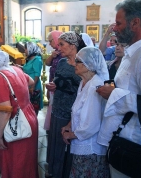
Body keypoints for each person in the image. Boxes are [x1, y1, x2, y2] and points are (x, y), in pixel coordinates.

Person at [96, 0, 141, 177]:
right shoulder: (133, 51)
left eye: (119, 23)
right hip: (121, 137)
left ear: (135, 23)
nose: (114, 28)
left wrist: (114, 94)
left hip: (134, 142)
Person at [0, 49, 39, 178]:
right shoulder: (15, 69)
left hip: (13, 124)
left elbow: (6, 111)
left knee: (15, 163)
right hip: (28, 118)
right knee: (27, 162)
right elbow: (31, 81)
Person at [62, 47, 110, 178]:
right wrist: (69, 125)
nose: (74, 63)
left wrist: (71, 135)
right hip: (80, 143)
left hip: (90, 148)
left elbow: (92, 124)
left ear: (89, 65)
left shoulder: (96, 86)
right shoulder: (84, 82)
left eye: (78, 61)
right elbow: (78, 109)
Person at [45, 31, 86, 178]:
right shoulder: (62, 62)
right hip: (58, 107)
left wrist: (63, 86)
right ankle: (55, 172)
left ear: (73, 45)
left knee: (67, 147)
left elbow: (82, 89)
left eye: (62, 44)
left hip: (71, 112)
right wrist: (53, 85)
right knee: (56, 143)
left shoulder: (83, 64)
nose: (58, 47)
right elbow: (57, 81)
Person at [44, 30, 63, 130]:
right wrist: (52, 56)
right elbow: (47, 63)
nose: (49, 43)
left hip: (60, 85)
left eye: (50, 41)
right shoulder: (56, 52)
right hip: (52, 82)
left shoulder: (64, 52)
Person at [22, 42, 43, 115]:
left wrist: (33, 87)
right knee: (27, 107)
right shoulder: (30, 59)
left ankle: (33, 124)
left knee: (34, 108)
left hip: (34, 85)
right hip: (28, 84)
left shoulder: (37, 60)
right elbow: (28, 69)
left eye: (26, 49)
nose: (25, 51)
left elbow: (37, 74)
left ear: (31, 49)